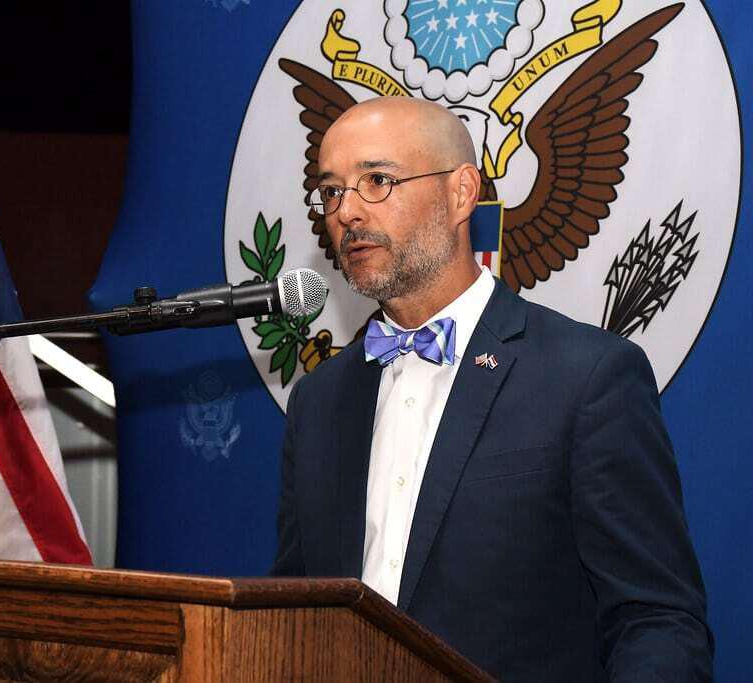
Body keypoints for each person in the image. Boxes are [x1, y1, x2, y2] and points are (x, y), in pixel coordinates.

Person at [270, 97, 713, 681]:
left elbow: (657, 622)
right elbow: (294, 616)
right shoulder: (318, 401)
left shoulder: (587, 378)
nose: (346, 211)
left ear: (461, 193)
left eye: (376, 180)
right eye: (331, 191)